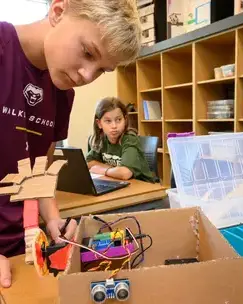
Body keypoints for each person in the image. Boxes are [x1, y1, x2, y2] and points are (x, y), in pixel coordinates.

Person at [0, 0, 141, 287]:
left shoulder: (62, 94)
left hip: (20, 249)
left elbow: (38, 172)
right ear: (58, 11)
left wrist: (53, 220)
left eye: (102, 70)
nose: (87, 76)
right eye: (88, 52)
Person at [87, 97, 155, 183]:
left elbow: (125, 173)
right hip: (119, 182)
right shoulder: (102, 139)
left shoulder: (130, 139)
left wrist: (103, 170)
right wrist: (114, 170)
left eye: (118, 120)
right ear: (99, 123)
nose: (114, 126)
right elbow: (89, 162)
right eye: (108, 121)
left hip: (143, 187)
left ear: (125, 120)